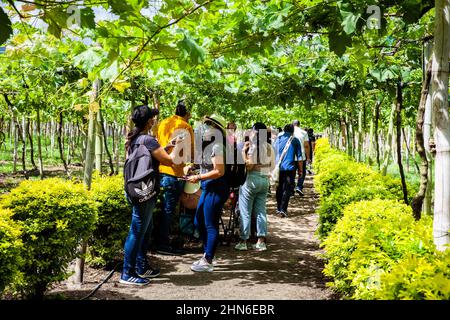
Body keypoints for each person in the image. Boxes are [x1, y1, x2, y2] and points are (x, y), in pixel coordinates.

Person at [121, 105, 184, 286]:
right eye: (153, 118)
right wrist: (179, 144)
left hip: (134, 188)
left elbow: (152, 154)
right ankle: (127, 272)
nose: (155, 121)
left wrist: (166, 146)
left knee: (144, 229)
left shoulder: (135, 138)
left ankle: (141, 266)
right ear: (149, 121)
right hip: (144, 190)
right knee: (137, 230)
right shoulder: (149, 140)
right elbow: (168, 161)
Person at [186, 114, 229, 272]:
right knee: (198, 221)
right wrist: (194, 169)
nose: (205, 128)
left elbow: (219, 171)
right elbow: (209, 168)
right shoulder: (210, 145)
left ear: (216, 128)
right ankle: (208, 253)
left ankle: (208, 259)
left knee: (210, 223)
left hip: (216, 187)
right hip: (208, 186)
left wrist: (197, 176)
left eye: (208, 124)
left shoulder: (217, 146)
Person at [155, 100, 195, 255]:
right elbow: (191, 151)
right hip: (175, 172)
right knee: (169, 210)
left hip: (160, 169)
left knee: (163, 208)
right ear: (187, 113)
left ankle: (161, 240)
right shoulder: (185, 126)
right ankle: (163, 244)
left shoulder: (163, 123)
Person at [235, 122, 275, 251]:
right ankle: (261, 241)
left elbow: (249, 166)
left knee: (245, 211)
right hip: (264, 179)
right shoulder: (269, 146)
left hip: (251, 180)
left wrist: (243, 152)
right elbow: (272, 166)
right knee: (261, 211)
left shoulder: (253, 147)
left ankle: (243, 241)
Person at [274, 123, 302, 218]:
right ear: (293, 131)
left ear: (283, 130)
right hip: (290, 168)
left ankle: (278, 207)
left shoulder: (277, 140)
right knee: (287, 188)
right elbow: (299, 157)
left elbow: (272, 153)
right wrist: (301, 170)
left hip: (278, 167)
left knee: (279, 187)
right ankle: (283, 209)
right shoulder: (295, 140)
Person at [292, 120, 310, 196]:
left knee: (291, 173)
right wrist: (308, 157)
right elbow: (306, 146)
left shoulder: (289, 132)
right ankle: (299, 187)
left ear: (292, 124)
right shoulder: (303, 132)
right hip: (301, 157)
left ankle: (291, 189)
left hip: (291, 157)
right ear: (299, 125)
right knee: (301, 172)